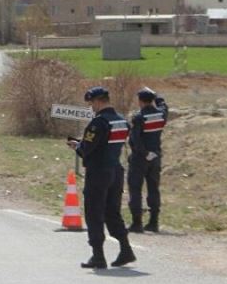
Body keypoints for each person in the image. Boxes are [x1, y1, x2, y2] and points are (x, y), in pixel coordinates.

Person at [66, 87, 136, 269]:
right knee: (112, 212)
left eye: (91, 104)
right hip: (116, 170)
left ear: (98, 101)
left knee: (94, 212)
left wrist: (77, 146)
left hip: (98, 172)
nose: (91, 108)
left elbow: (87, 149)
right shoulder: (121, 120)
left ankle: (98, 255)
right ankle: (125, 249)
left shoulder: (98, 123)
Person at [127, 87, 169, 233]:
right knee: (153, 189)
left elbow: (135, 140)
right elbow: (164, 105)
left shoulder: (139, 117)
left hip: (140, 158)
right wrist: (156, 96)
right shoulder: (161, 114)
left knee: (135, 188)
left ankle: (137, 223)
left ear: (140, 101)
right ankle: (153, 222)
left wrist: (144, 153)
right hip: (156, 156)